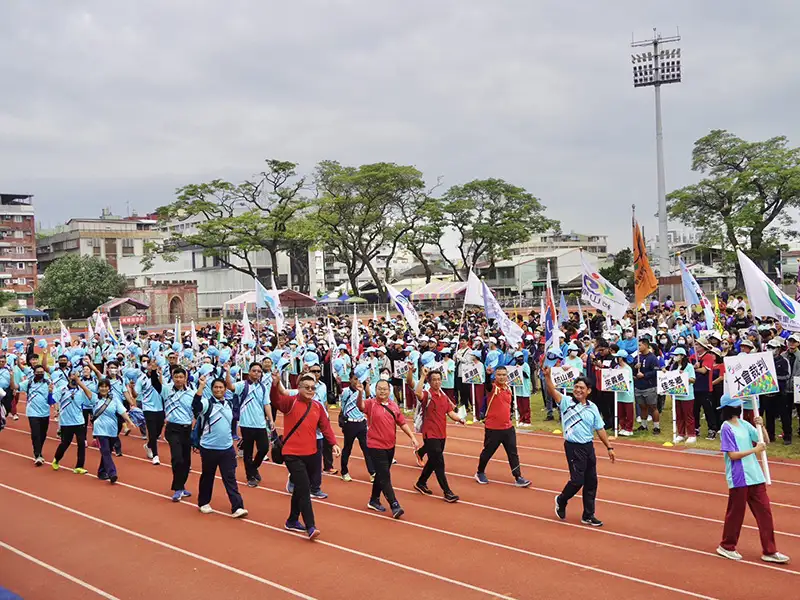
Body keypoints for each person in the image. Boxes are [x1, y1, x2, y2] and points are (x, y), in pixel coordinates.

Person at [715, 394, 790, 563]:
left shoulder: (744, 424)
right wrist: (754, 451)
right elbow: (732, 455)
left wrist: (761, 426)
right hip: (739, 477)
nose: (739, 407)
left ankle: (770, 550)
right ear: (731, 408)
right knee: (736, 513)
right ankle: (727, 546)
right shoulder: (726, 428)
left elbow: (765, 440)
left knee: (765, 513)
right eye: (737, 405)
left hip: (756, 475)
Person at [270, 372, 341, 541]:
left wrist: (334, 444)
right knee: (304, 489)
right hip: (292, 454)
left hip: (311, 453)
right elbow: (276, 401)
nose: (310, 390)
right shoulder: (291, 403)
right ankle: (311, 526)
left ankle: (292, 520)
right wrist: (275, 385)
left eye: (312, 388)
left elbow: (325, 427)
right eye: (306, 387)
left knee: (301, 488)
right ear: (299, 388)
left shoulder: (317, 406)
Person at [544, 366, 616, 527]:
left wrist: (609, 447)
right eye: (576, 387)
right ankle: (561, 500)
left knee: (591, 481)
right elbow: (552, 391)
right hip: (573, 447)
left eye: (582, 388)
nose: (578, 390)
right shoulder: (566, 402)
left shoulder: (593, 408)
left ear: (588, 391)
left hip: (588, 447)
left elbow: (600, 428)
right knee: (577, 480)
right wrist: (548, 377)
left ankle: (588, 515)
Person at [357, 378, 419, 519]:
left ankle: (374, 500)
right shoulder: (370, 404)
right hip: (375, 446)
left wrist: (412, 437)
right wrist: (360, 393)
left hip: (390, 446)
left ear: (389, 391)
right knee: (385, 475)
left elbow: (402, 422)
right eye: (380, 388)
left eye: (385, 389)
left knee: (381, 474)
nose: (382, 391)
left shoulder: (393, 406)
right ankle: (394, 504)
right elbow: (360, 406)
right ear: (375, 390)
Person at [193, 374, 248, 518]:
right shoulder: (206, 403)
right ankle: (203, 502)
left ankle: (238, 506)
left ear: (225, 389)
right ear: (211, 389)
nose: (218, 390)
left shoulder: (229, 404)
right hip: (209, 448)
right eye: (216, 387)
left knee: (230, 477)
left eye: (221, 387)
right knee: (208, 476)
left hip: (227, 448)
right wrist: (201, 387)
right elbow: (195, 406)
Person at [413, 367, 465, 503]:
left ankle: (421, 482)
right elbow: (417, 393)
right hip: (430, 434)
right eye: (434, 380)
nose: (437, 382)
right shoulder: (427, 394)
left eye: (438, 379)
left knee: (433, 461)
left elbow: (450, 413)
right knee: (439, 462)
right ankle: (447, 491)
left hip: (442, 434)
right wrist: (423, 377)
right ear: (429, 382)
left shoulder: (443, 397)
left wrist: (459, 419)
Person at [474, 366, 531, 487]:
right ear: (495, 376)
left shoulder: (508, 388)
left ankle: (518, 476)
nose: (502, 377)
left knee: (513, 453)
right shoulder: (493, 388)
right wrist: (488, 375)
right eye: (499, 375)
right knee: (488, 452)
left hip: (508, 428)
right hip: (493, 428)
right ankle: (480, 472)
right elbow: (487, 385)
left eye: (504, 375)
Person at [75, 377, 136, 483]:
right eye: (101, 387)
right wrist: (78, 381)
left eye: (105, 387)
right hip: (100, 430)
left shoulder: (115, 399)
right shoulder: (95, 398)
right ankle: (112, 473)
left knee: (107, 451)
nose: (103, 389)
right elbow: (85, 389)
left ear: (109, 388)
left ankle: (101, 471)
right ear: (98, 388)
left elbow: (122, 412)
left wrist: (129, 422)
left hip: (112, 429)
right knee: (106, 451)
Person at [152, 365, 196, 502]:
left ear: (185, 378)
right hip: (172, 429)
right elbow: (155, 383)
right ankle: (177, 488)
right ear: (173, 378)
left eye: (181, 377)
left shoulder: (191, 393)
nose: (178, 379)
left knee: (186, 461)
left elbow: (197, 409)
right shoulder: (166, 390)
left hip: (187, 429)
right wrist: (153, 371)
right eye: (176, 377)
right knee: (177, 458)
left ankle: (181, 486)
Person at [228, 363, 273, 488]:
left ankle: (253, 468)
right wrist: (227, 372)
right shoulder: (243, 385)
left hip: (260, 424)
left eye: (259, 371)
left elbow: (267, 404)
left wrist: (271, 419)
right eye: (254, 371)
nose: (257, 373)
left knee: (264, 448)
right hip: (246, 424)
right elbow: (230, 387)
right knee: (248, 452)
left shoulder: (263, 388)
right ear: (249, 372)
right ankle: (250, 476)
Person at [51, 373, 93, 474]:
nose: (74, 378)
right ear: (69, 377)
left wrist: (79, 382)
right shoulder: (62, 389)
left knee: (81, 444)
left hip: (79, 421)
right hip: (66, 422)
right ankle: (56, 459)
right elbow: (53, 400)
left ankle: (79, 466)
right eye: (73, 376)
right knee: (65, 443)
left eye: (77, 376)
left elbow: (90, 395)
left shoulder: (81, 390)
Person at [339, 369, 375, 483]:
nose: (357, 381)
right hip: (350, 424)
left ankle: (372, 472)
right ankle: (344, 471)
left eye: (359, 379)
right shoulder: (346, 392)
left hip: (361, 423)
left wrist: (366, 385)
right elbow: (343, 407)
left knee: (367, 448)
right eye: (355, 379)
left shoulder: (363, 392)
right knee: (347, 448)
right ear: (350, 380)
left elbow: (368, 398)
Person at [20, 364, 53, 466]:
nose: (40, 374)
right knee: (35, 434)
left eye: (42, 372)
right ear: (34, 373)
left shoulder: (48, 383)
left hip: (45, 413)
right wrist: (12, 376)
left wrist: (51, 392)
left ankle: (39, 450)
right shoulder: (28, 383)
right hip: (32, 412)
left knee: (43, 434)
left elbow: (51, 401)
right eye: (38, 372)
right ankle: (37, 454)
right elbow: (16, 387)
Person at [669, 347, 696, 443]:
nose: (675, 357)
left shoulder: (689, 366)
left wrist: (684, 375)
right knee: (679, 415)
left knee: (688, 415)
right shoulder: (674, 366)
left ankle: (691, 434)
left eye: (677, 355)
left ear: (682, 356)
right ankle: (681, 434)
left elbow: (693, 379)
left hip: (687, 396)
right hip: (677, 395)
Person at [634, 339, 660, 434]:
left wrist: (645, 375)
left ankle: (656, 427)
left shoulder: (653, 358)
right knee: (642, 407)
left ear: (645, 345)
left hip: (649, 387)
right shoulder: (638, 357)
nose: (638, 347)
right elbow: (633, 369)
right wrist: (635, 367)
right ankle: (644, 425)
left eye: (640, 345)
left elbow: (656, 371)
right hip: (639, 386)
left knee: (653, 407)